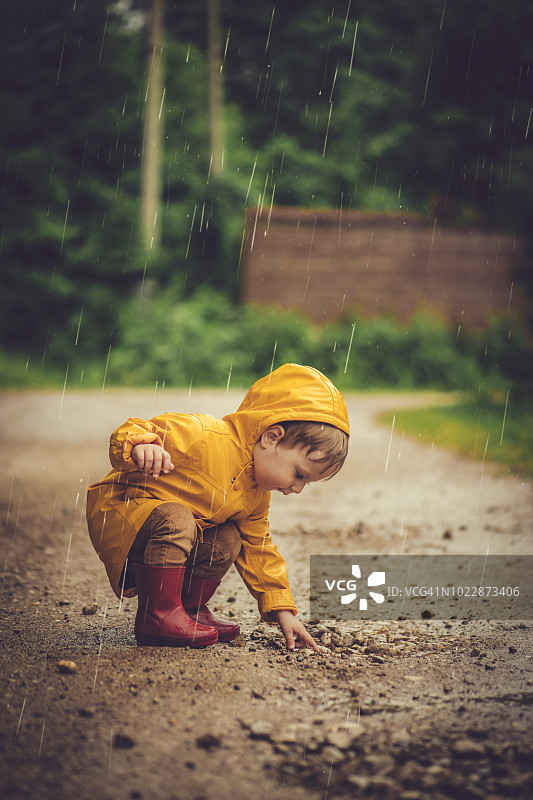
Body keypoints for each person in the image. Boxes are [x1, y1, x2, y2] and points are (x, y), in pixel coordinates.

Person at [86, 363, 350, 652]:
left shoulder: (256, 497)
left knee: (228, 538)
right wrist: (140, 446)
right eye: (299, 474)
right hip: (124, 515)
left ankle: (188, 609)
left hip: (164, 537)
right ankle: (157, 616)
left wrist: (283, 612)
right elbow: (133, 430)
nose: (297, 488)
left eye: (306, 483)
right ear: (271, 437)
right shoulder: (203, 436)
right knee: (177, 519)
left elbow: (259, 550)